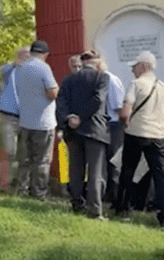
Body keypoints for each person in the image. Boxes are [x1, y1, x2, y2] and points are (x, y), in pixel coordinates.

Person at [56, 50, 110, 219]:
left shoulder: (68, 79)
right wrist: (81, 117)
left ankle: (77, 204)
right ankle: (94, 210)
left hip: (74, 131)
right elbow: (98, 99)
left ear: (83, 61)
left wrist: (69, 118)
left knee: (76, 170)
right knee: (95, 172)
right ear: (96, 61)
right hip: (95, 129)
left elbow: (61, 101)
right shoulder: (102, 77)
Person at [116, 50, 164, 228]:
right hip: (157, 135)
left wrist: (126, 121)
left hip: (136, 133)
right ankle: (161, 214)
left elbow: (125, 111)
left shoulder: (136, 84)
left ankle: (124, 209)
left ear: (143, 66)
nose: (132, 70)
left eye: (135, 66)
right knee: (160, 175)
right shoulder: (161, 86)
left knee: (128, 171)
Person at [16, 40, 59, 199]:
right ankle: (39, 193)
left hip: (25, 120)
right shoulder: (43, 68)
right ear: (45, 54)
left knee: (26, 159)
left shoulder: (21, 68)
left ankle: (23, 189)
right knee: (42, 160)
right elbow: (52, 93)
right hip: (43, 122)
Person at [0, 46, 30, 187]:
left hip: (27, 117)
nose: (26, 58)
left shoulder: (32, 71)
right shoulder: (10, 70)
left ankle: (23, 183)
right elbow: (2, 71)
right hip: (9, 116)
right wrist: (15, 63)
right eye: (23, 55)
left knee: (25, 154)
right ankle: (6, 182)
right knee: (8, 151)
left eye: (28, 55)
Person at [99, 59, 125, 207]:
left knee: (113, 161)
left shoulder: (111, 80)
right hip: (104, 124)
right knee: (103, 161)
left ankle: (114, 196)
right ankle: (105, 194)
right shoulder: (100, 79)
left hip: (114, 124)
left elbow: (118, 106)